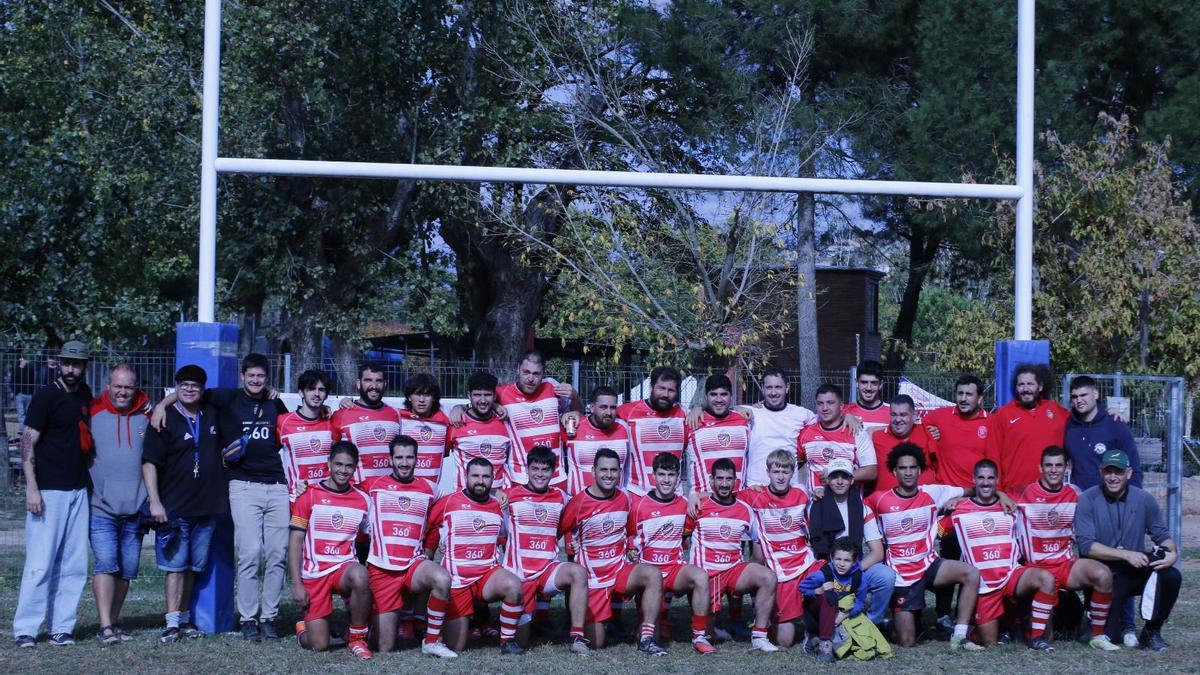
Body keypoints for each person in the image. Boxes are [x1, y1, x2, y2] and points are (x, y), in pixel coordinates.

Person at [155, 353, 291, 642]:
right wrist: (161, 405)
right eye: (251, 375)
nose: (255, 381)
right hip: (243, 485)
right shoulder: (226, 398)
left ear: (268, 379)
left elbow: (292, 431)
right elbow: (187, 393)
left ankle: (270, 618)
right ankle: (250, 618)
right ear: (242, 376)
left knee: (278, 554)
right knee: (250, 552)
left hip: (277, 484)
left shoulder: (274, 403)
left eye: (261, 376)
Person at [12, 341, 94, 648]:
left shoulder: (85, 395)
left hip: (78, 490)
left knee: (74, 564)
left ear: (86, 365)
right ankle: (26, 629)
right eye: (67, 363)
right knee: (40, 562)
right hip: (48, 491)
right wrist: (32, 488)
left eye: (77, 364)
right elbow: (27, 442)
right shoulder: (46, 397)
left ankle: (61, 627)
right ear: (59, 363)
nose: (71, 369)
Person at [142, 365, 229, 643]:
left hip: (206, 506)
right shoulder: (163, 419)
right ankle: (171, 622)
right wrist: (155, 501)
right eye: (184, 385)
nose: (189, 389)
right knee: (175, 566)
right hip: (174, 506)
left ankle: (185, 618)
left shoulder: (212, 412)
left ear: (202, 389)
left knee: (193, 566)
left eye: (195, 385)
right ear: (176, 387)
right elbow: (149, 463)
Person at [865, 443, 982, 650]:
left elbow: (974, 489)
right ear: (894, 471)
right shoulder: (878, 499)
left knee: (971, 573)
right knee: (907, 641)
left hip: (929, 565)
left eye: (912, 467)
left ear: (919, 470)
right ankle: (889, 622)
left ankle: (960, 634)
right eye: (903, 468)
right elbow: (855, 507)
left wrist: (959, 501)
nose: (908, 472)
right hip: (900, 573)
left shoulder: (934, 492)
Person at [559, 448, 669, 654]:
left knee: (652, 574)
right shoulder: (579, 502)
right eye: (603, 470)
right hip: (593, 580)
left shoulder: (625, 498)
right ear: (593, 471)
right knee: (597, 642)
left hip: (619, 572)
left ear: (620, 472)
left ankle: (645, 637)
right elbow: (561, 529)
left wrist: (629, 548)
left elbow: (630, 531)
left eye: (614, 470)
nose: (609, 475)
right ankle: (591, 619)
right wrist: (570, 543)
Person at [359, 434, 457, 657]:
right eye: (399, 457)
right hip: (382, 569)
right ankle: (372, 622)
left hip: (414, 565)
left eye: (409, 457)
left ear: (417, 459)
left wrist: (432, 547)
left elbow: (449, 509)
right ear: (390, 459)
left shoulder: (431, 489)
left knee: (442, 578)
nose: (404, 463)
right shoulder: (372, 486)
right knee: (384, 646)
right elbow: (342, 492)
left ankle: (431, 641)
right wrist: (306, 488)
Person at [1017, 445, 1121, 650]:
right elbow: (992, 499)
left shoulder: (1075, 496)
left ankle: (1097, 635)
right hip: (1035, 568)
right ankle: (1036, 636)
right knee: (1048, 637)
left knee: (1102, 574)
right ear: (1040, 467)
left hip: (1064, 565)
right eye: (1048, 465)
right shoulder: (1023, 494)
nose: (1053, 470)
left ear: (1066, 468)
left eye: (1058, 465)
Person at [1076, 449, 1181, 651]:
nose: (1113, 477)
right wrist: (1126, 554)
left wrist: (1172, 553)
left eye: (1119, 471)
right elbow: (1087, 546)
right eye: (1108, 471)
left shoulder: (1144, 499)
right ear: (1101, 472)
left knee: (1171, 575)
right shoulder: (1087, 499)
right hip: (1104, 575)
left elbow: (1163, 537)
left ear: (1129, 473)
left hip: (1134, 570)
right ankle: (1091, 618)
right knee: (1111, 636)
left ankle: (1151, 632)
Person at [948, 459, 1057, 650]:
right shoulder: (958, 510)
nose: (985, 482)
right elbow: (934, 533)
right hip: (983, 585)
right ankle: (978, 628)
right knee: (989, 642)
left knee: (1045, 578)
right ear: (973, 479)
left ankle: (1036, 638)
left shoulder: (1010, 507)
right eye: (981, 478)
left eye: (990, 478)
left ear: (997, 480)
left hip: (1010, 575)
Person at [424, 457, 525, 655]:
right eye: (476, 476)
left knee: (513, 585)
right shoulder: (448, 502)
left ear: (493, 479)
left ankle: (507, 642)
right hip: (457, 580)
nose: (480, 481)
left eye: (485, 476)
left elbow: (503, 537)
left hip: (486, 575)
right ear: (466, 476)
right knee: (456, 646)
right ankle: (454, 624)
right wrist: (430, 552)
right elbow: (429, 528)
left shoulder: (498, 506)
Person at [499, 445, 591, 653]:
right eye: (535, 469)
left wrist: (575, 540)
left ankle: (577, 637)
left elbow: (572, 523)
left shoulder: (561, 497)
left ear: (553, 471)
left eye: (545, 469)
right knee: (521, 642)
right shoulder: (510, 496)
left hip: (547, 571)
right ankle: (513, 620)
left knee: (578, 572)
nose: (540, 474)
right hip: (519, 575)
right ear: (527, 469)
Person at [289, 441, 373, 659]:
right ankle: (302, 627)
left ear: (355, 468)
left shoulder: (363, 500)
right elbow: (295, 541)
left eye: (349, 466)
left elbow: (372, 534)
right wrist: (297, 584)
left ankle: (357, 638)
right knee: (319, 645)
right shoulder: (309, 495)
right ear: (328, 463)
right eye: (338, 464)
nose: (343, 470)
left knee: (360, 574)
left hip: (343, 569)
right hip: (315, 574)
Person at [687, 458, 780, 652]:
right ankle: (712, 629)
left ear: (735, 481)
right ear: (711, 480)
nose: (724, 484)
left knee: (768, 577)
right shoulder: (700, 505)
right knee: (709, 635)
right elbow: (681, 535)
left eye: (728, 479)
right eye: (719, 478)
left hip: (733, 570)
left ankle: (760, 636)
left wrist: (758, 561)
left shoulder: (745, 509)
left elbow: (758, 540)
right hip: (707, 575)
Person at [922, 374, 990, 633]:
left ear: (980, 398)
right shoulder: (939, 417)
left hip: (976, 502)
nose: (963, 398)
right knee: (948, 550)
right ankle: (942, 613)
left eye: (969, 394)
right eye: (960, 393)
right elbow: (913, 425)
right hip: (946, 509)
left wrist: (969, 497)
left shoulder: (990, 423)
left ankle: (972, 611)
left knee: (976, 559)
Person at [628, 452, 715, 653]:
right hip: (649, 573)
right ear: (653, 476)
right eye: (662, 474)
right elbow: (629, 536)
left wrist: (699, 494)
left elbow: (690, 527)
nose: (666, 480)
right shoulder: (639, 505)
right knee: (654, 636)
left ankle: (699, 637)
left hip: (674, 569)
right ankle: (646, 626)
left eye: (671, 475)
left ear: (678, 478)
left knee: (701, 576)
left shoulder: (684, 503)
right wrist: (631, 552)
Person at [87, 364, 150, 644]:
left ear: (135, 388)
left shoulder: (147, 414)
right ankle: (104, 626)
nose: (123, 392)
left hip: (136, 508)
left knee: (126, 571)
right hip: (101, 507)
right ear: (108, 386)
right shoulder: (92, 412)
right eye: (118, 386)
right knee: (105, 564)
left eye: (128, 387)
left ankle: (113, 621)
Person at [738, 449, 823, 649]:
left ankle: (818, 627)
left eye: (786, 471)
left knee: (829, 581)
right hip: (781, 572)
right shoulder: (755, 495)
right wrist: (697, 496)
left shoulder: (801, 492)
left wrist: (821, 491)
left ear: (792, 473)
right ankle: (768, 619)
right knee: (784, 641)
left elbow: (819, 498)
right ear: (768, 472)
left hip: (805, 563)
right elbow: (723, 495)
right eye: (776, 471)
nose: (781, 476)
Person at [808, 458, 896, 630]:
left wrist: (853, 571)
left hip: (856, 566)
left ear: (852, 480)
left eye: (845, 476)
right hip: (826, 565)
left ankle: (871, 623)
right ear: (827, 480)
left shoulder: (863, 508)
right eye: (834, 476)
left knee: (886, 576)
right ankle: (818, 627)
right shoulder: (814, 505)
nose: (840, 481)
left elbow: (878, 552)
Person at [495, 350, 580, 488]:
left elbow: (577, 412)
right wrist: (461, 408)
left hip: (556, 477)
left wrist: (575, 399)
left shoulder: (552, 387)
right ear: (517, 369)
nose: (530, 378)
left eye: (536, 374)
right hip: (522, 478)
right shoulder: (503, 393)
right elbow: (479, 400)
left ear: (544, 373)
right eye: (526, 372)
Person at [987, 364, 1068, 494]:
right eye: (1021, 385)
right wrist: (998, 490)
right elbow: (993, 455)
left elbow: (1082, 422)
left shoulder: (1057, 411)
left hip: (1050, 494)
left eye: (1030, 384)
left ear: (1040, 387)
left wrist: (1110, 412)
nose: (1025, 389)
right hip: (1014, 494)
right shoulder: (1003, 415)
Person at [615, 366, 688, 495]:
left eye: (671, 390)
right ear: (651, 387)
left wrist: (700, 408)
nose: (665, 394)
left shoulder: (684, 415)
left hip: (674, 496)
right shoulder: (626, 412)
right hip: (638, 495)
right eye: (661, 388)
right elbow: (598, 418)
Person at [799, 537, 873, 663]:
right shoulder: (823, 574)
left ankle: (814, 639)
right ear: (832, 558)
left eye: (847, 560)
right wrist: (818, 591)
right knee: (830, 597)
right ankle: (824, 644)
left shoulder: (859, 577)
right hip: (816, 612)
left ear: (855, 561)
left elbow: (860, 602)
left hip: (840, 614)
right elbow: (802, 587)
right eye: (838, 559)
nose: (842, 564)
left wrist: (845, 615)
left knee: (847, 644)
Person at [796, 384, 877, 496]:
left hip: (849, 504)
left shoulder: (856, 432)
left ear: (841, 406)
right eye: (820, 403)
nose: (824, 408)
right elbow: (795, 462)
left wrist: (836, 475)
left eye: (830, 403)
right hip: (816, 504)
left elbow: (871, 472)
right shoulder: (806, 432)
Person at [1064, 375, 1141, 491]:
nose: (1079, 400)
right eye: (1075, 397)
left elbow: (1133, 467)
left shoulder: (1116, 424)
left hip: (1109, 500)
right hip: (1080, 500)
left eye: (1083, 395)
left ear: (1095, 394)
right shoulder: (1068, 426)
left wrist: (1134, 501)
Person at [742, 368, 816, 488]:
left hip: (789, 488)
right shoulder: (751, 413)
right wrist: (700, 408)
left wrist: (847, 415)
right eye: (769, 387)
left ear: (787, 388)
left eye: (778, 387)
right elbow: (720, 409)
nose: (773, 392)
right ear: (762, 389)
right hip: (756, 487)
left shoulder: (801, 414)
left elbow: (828, 419)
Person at [331, 363, 400, 483]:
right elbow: (330, 455)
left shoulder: (396, 414)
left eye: (379, 381)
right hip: (355, 494)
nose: (374, 386)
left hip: (387, 492)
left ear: (385, 384)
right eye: (368, 380)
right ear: (358, 384)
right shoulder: (341, 415)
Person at [684, 374, 751, 493]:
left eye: (724, 394)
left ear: (731, 396)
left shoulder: (744, 421)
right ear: (706, 396)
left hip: (738, 502)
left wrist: (737, 408)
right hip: (704, 503)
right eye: (713, 394)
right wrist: (698, 408)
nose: (719, 399)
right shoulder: (692, 421)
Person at [447, 371, 512, 490]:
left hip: (500, 499)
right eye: (477, 395)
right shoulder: (457, 422)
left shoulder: (505, 421)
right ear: (469, 395)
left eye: (487, 395)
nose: (483, 400)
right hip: (465, 499)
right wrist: (459, 407)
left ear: (494, 396)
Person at [277, 369, 334, 502]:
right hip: (296, 499)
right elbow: (268, 455)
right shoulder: (283, 422)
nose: (316, 394)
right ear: (301, 392)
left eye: (321, 389)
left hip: (325, 499)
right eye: (311, 389)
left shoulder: (332, 422)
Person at [564, 386, 629, 496]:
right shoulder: (574, 426)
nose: (608, 412)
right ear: (592, 407)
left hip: (614, 504)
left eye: (613, 407)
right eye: (603, 407)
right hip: (580, 503)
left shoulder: (623, 428)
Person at [870, 394, 938, 495]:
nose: (897, 420)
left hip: (924, 504)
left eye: (903, 415)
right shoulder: (875, 437)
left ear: (914, 416)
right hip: (888, 506)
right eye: (893, 414)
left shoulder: (926, 432)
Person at [398, 373, 453, 484]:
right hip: (402, 491)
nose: (421, 400)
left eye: (427, 395)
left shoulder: (446, 418)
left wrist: (460, 407)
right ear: (409, 396)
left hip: (431, 493)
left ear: (434, 398)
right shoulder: (399, 418)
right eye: (417, 394)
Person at [843, 360, 890, 434]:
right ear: (856, 383)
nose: (868, 388)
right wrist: (846, 416)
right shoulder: (845, 411)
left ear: (880, 384)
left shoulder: (892, 413)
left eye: (873, 383)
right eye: (864, 382)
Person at [11, 353, 37, 434]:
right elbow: (12, 381)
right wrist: (16, 392)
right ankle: (22, 429)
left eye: (23, 359)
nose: (22, 360)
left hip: (29, 394)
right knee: (21, 413)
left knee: (28, 412)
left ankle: (27, 428)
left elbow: (33, 381)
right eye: (20, 359)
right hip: (20, 394)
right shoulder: (16, 369)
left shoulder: (30, 369)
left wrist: (32, 393)